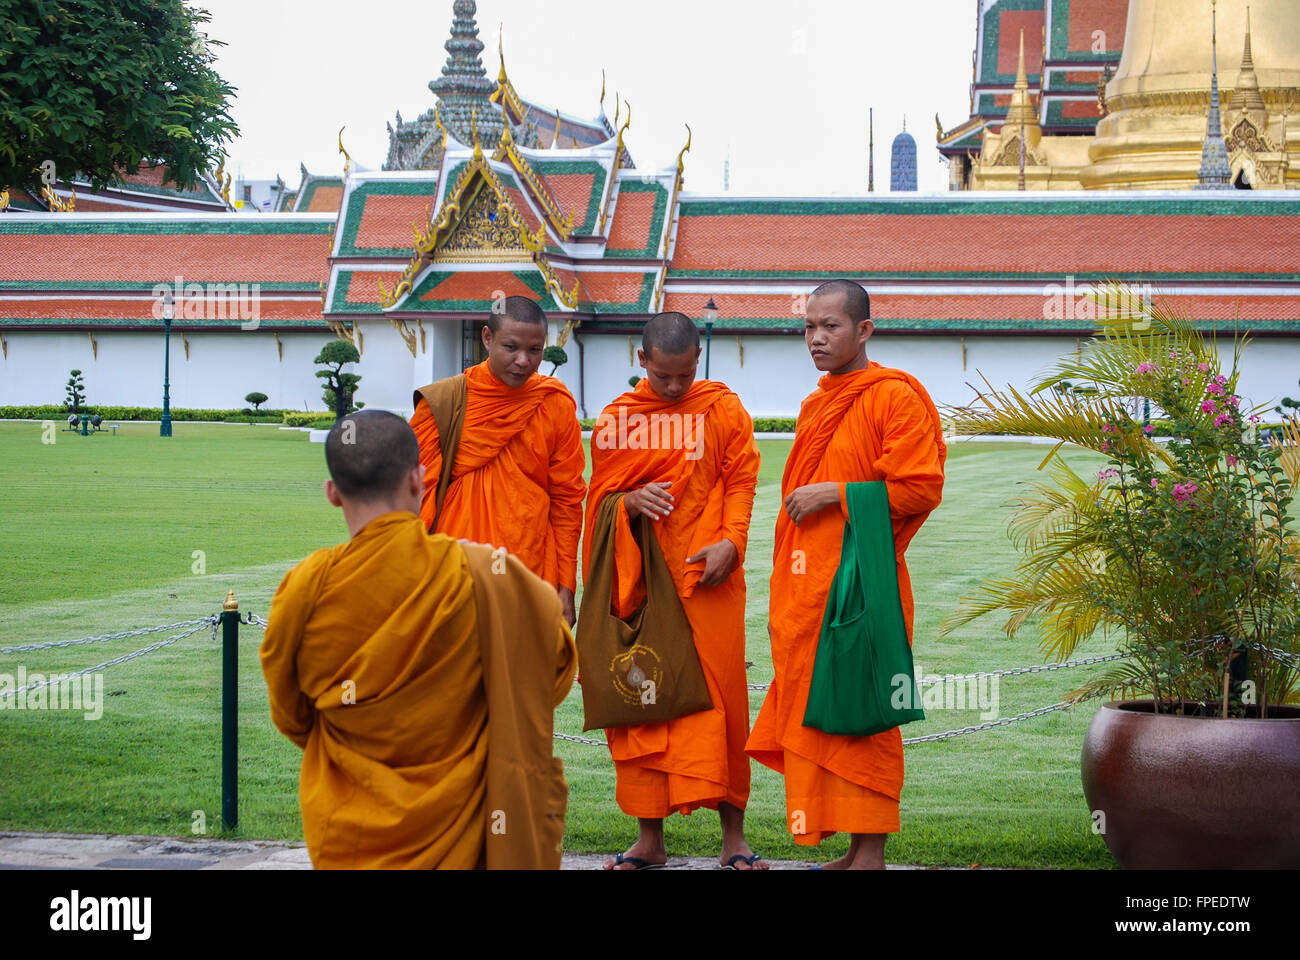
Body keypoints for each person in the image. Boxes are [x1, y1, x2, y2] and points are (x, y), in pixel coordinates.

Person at [260, 410, 576, 869]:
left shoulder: (306, 588)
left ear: (332, 494)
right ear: (418, 480)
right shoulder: (485, 574)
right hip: (470, 833)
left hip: (352, 836)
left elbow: (291, 716)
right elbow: (556, 671)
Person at [745, 279, 946, 870]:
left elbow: (919, 488)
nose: (816, 338)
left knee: (863, 710)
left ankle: (872, 852)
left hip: (863, 583)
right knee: (823, 707)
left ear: (864, 330)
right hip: (807, 590)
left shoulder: (894, 397)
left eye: (830, 326)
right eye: (809, 327)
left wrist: (836, 495)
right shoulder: (818, 401)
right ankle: (857, 850)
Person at [584, 312, 767, 870]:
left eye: (684, 376)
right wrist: (629, 503)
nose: (673, 388)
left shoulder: (722, 408)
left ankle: (733, 838)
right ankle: (649, 838)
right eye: (663, 377)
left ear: (696, 363)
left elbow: (741, 478)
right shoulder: (619, 420)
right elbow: (600, 499)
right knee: (644, 701)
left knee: (723, 703)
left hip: (706, 578)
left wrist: (732, 543)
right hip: (641, 582)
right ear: (643, 362)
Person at [410, 295, 586, 625]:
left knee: (522, 672)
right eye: (511, 347)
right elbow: (416, 495)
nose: (523, 360)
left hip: (531, 567)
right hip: (454, 568)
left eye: (535, 350)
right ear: (487, 338)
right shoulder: (444, 402)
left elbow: (567, 500)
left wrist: (566, 585)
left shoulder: (555, 403)